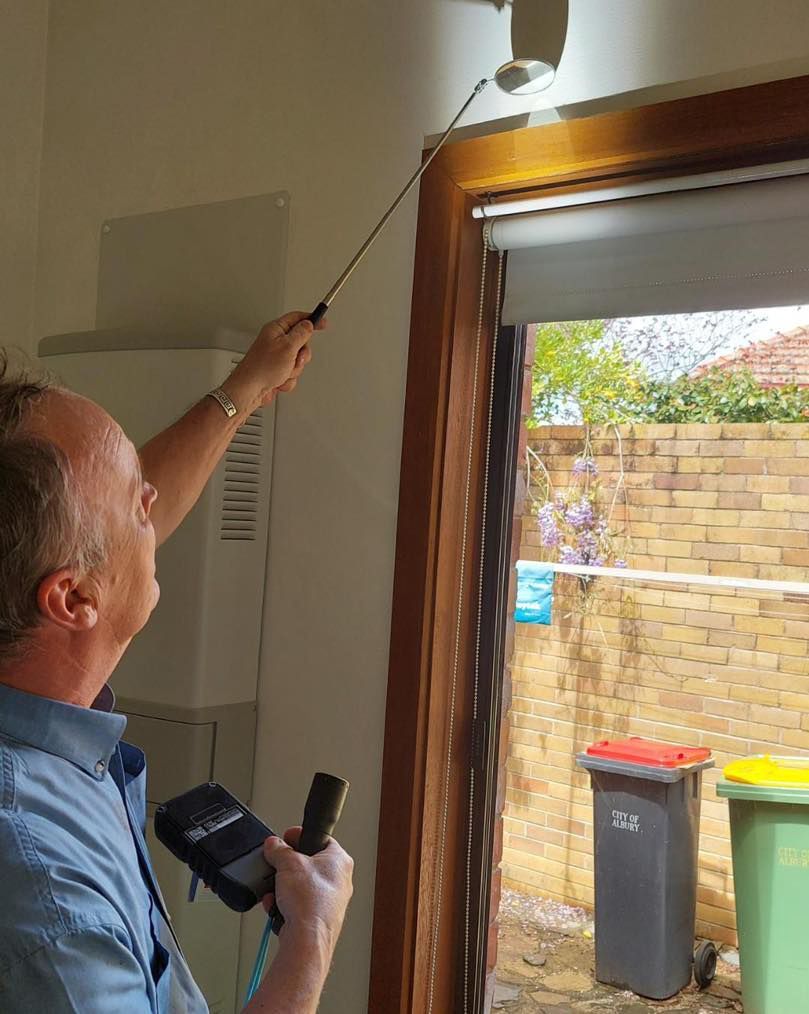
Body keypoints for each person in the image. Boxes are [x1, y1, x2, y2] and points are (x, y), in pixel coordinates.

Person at [0, 312, 354, 1013]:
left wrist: (245, 390)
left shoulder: (44, 671)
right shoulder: (50, 903)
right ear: (72, 600)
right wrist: (310, 939)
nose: (153, 503)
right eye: (136, 502)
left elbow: (111, 533)